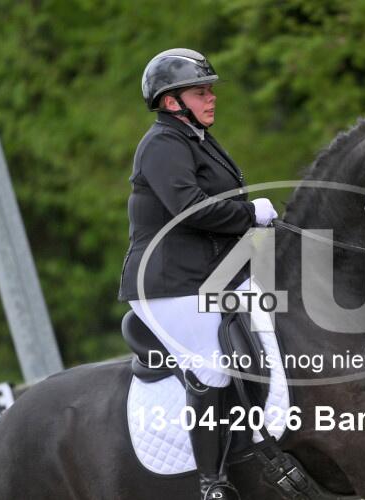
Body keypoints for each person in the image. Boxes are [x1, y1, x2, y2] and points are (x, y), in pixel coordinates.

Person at [117, 48, 277, 500]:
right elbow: (191, 210)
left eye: (210, 90)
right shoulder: (161, 145)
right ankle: (212, 482)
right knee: (211, 364)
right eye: (200, 92)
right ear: (172, 102)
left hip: (206, 275)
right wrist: (251, 213)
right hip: (167, 284)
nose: (211, 98)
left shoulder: (197, 139)